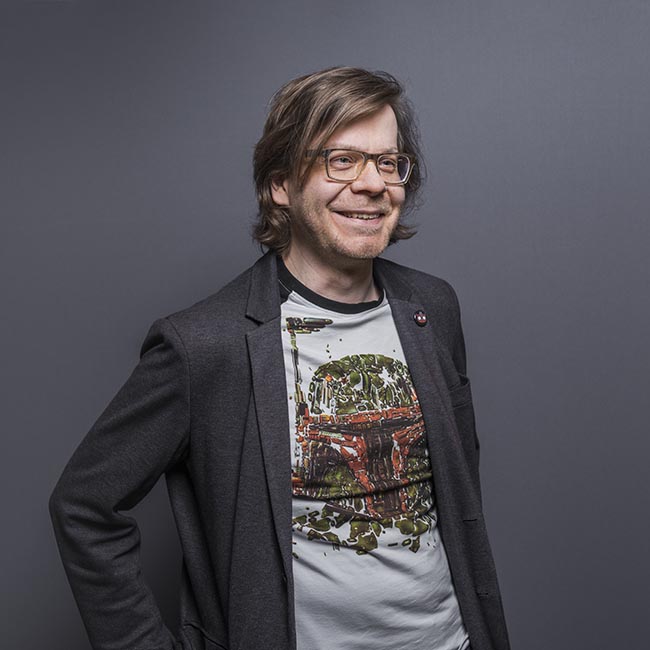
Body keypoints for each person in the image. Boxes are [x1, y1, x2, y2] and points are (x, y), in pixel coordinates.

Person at [50, 67, 510, 650]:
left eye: (388, 162)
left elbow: (456, 483)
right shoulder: (203, 345)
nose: (373, 183)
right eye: (341, 161)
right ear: (280, 186)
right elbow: (84, 505)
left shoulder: (433, 308)